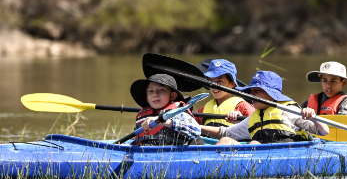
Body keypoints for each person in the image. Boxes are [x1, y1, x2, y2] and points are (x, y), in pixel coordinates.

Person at [200, 71, 329, 145]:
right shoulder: (254, 118)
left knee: (254, 144)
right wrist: (196, 127)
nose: (251, 95)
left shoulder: (288, 112)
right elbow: (225, 132)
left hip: (287, 156)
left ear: (272, 95)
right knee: (225, 140)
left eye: (257, 91)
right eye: (251, 91)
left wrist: (314, 118)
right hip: (259, 157)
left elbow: (324, 132)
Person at [130, 74, 202, 146]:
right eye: (151, 91)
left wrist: (165, 122)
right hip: (145, 155)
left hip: (175, 154)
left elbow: (196, 131)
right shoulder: (142, 114)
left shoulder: (179, 112)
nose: (155, 94)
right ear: (147, 98)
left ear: (173, 96)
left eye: (162, 90)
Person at [194, 59, 254, 127]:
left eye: (220, 81)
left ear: (232, 84)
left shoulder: (243, 107)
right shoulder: (203, 110)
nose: (214, 85)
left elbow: (258, 128)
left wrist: (242, 122)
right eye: (211, 81)